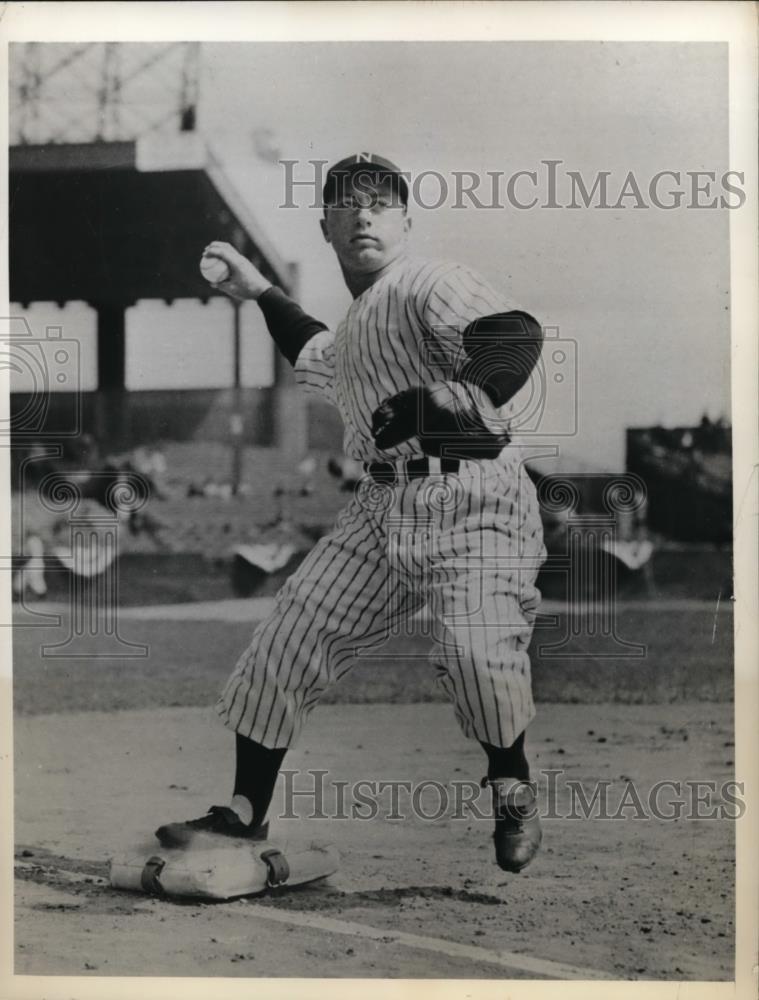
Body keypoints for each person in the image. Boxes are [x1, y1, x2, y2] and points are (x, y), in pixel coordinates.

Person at [156, 153, 547, 873]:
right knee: (284, 640)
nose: (363, 212)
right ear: (326, 225)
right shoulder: (359, 327)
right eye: (347, 202)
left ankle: (510, 784)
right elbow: (313, 349)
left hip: (472, 498)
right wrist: (260, 290)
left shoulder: (427, 281)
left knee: (472, 651)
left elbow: (514, 336)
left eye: (379, 201)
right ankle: (244, 813)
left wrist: (450, 399)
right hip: (379, 506)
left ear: (404, 220)